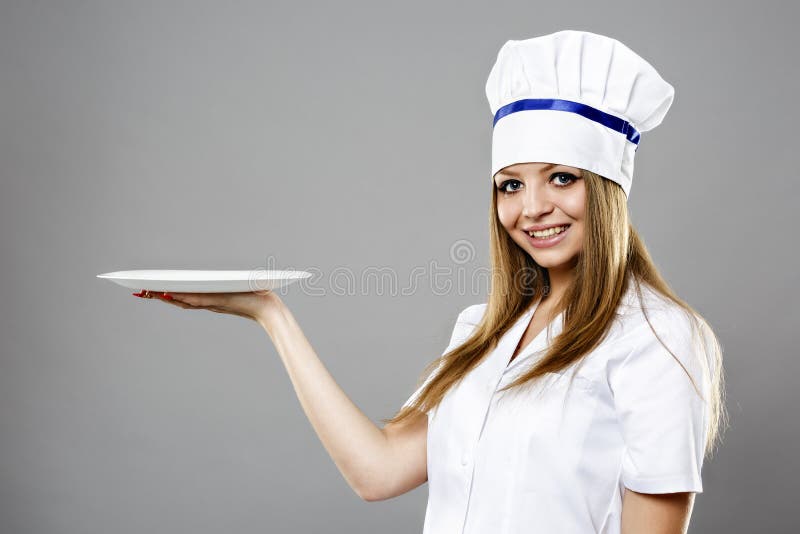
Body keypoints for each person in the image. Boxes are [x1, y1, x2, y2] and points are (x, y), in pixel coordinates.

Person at [137, 29, 727, 534]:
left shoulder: (659, 337)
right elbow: (380, 470)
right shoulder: (482, 329)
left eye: (562, 178)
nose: (533, 208)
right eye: (511, 185)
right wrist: (270, 314)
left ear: (605, 190)